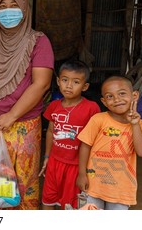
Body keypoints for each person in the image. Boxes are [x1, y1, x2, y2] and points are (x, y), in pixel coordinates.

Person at [0, 0, 54, 210]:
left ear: (25, 10)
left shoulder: (38, 42)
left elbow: (42, 83)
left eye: (14, 6)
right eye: (2, 7)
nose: (8, 12)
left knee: (23, 181)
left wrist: (11, 115)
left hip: (23, 124)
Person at [76, 76, 142, 210]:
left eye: (122, 93)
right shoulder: (98, 120)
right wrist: (82, 174)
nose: (117, 99)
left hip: (121, 190)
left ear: (134, 95)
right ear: (104, 101)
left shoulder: (140, 125)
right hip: (94, 185)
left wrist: (134, 125)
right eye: (109, 96)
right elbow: (85, 146)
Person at [38, 60, 100, 210]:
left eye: (76, 82)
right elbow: (51, 132)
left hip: (76, 165)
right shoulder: (54, 106)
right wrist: (47, 157)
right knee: (48, 198)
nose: (69, 85)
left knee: (72, 204)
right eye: (65, 80)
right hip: (55, 162)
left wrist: (84, 172)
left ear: (85, 86)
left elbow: (96, 139)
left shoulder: (91, 108)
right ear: (58, 81)